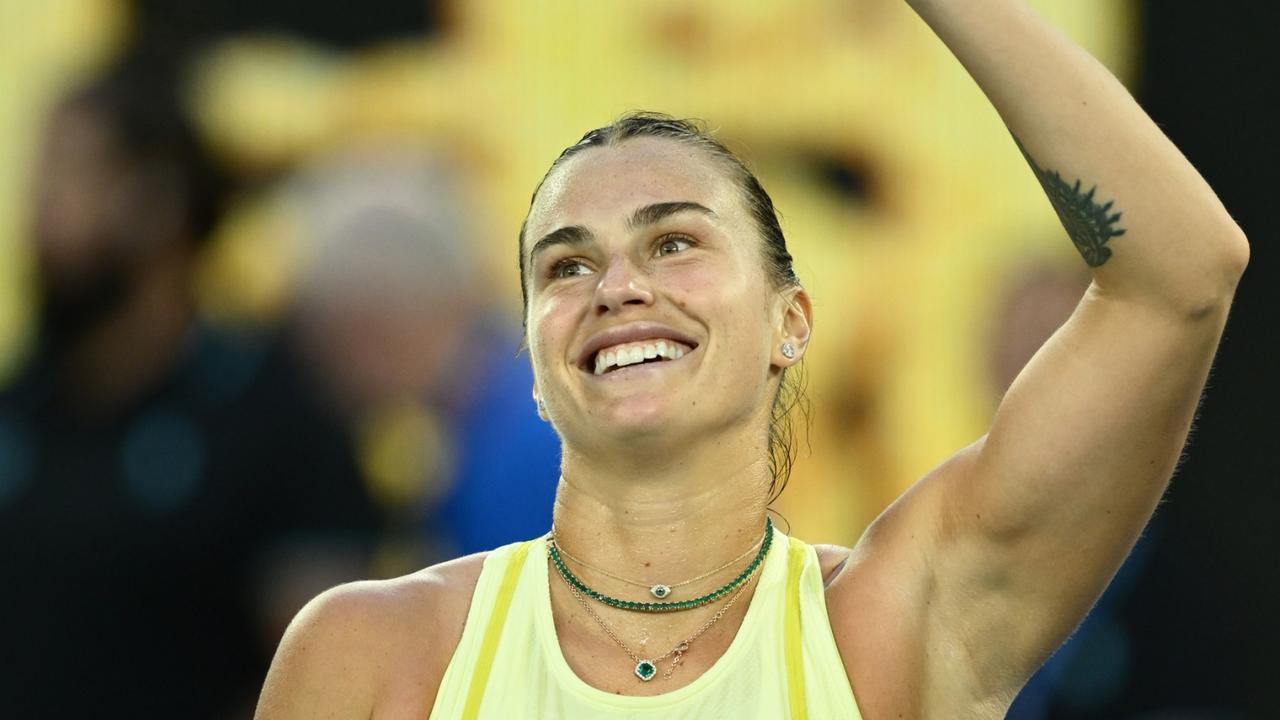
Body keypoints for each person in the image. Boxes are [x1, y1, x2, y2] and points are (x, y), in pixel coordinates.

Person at [255, 1, 1250, 717]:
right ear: (530, 350)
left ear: (791, 323)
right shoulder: (371, 654)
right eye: (565, 263)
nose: (616, 285)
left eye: (674, 242)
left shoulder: (893, 629)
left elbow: (1180, 273)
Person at [0, 56, 384, 719]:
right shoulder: (20, 406)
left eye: (68, 176)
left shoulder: (276, 412)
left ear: (158, 201)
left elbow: (339, 680)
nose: (38, 212)